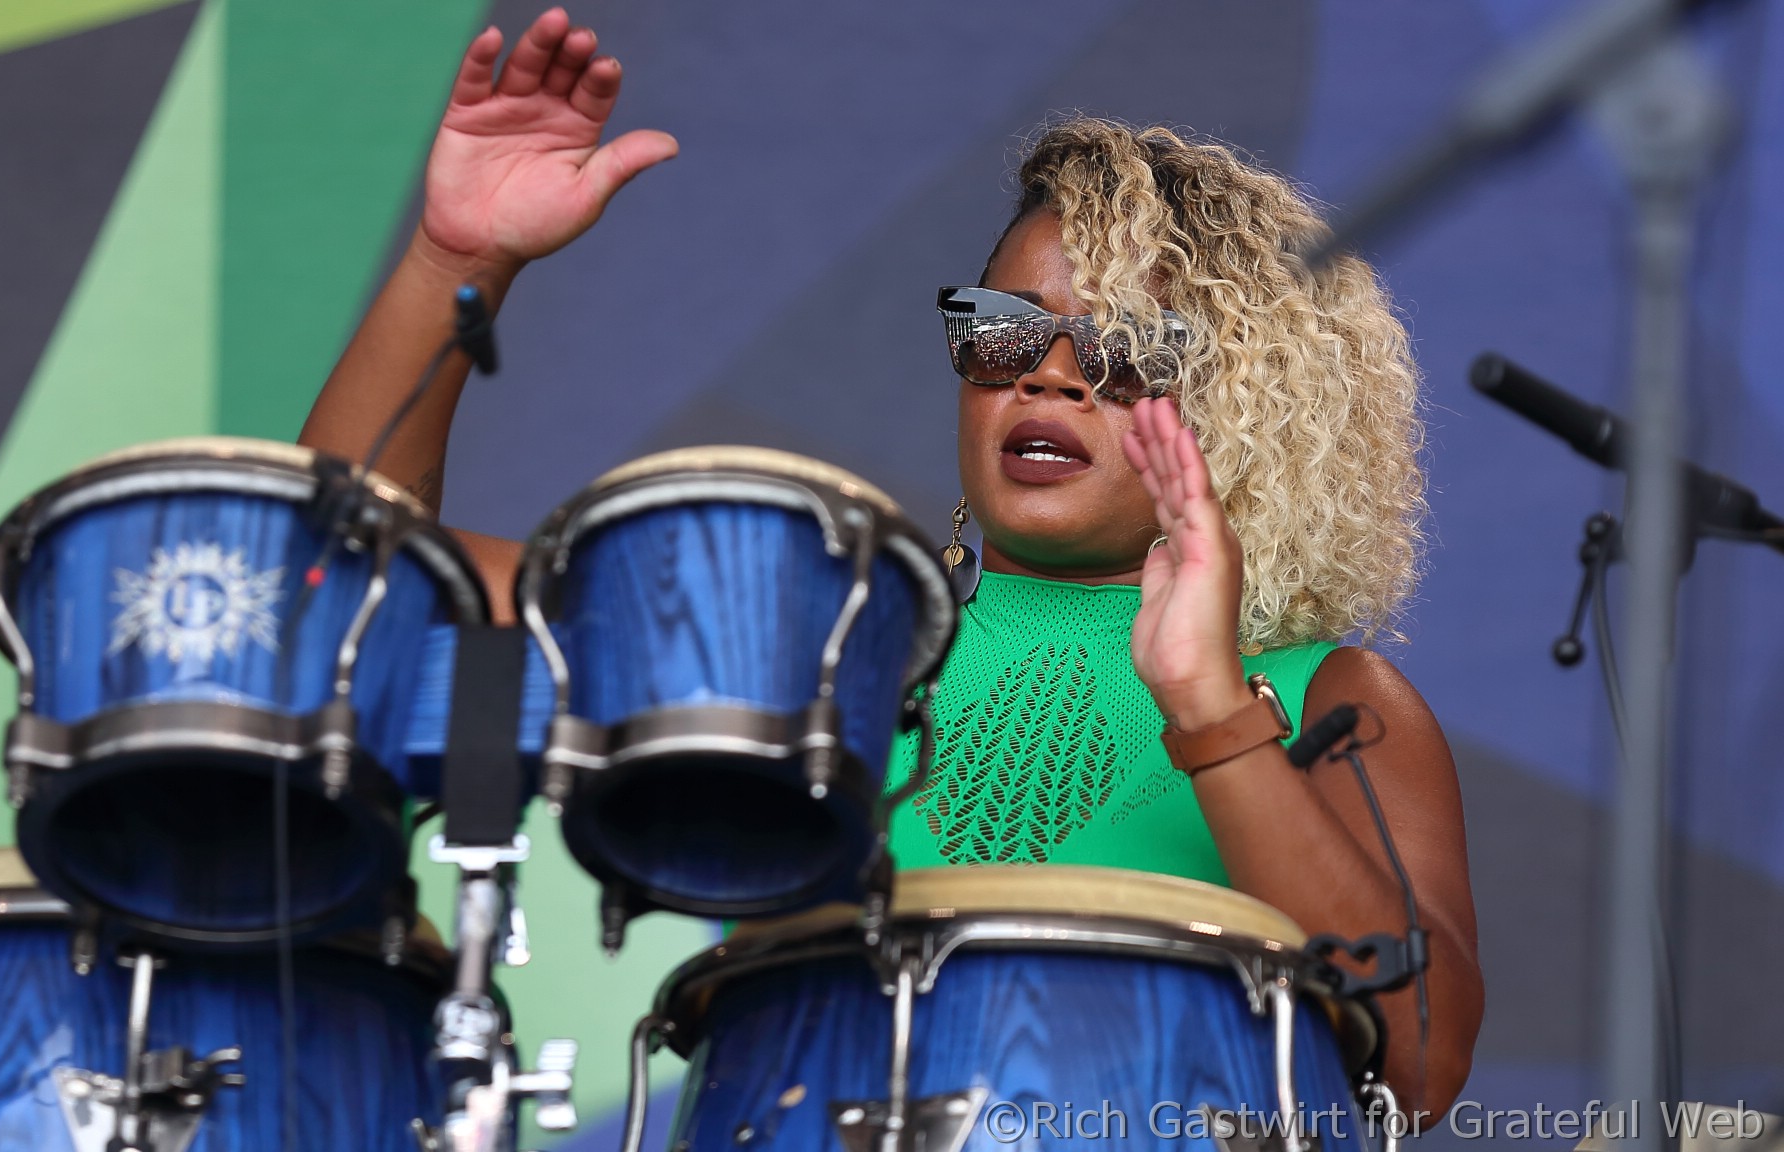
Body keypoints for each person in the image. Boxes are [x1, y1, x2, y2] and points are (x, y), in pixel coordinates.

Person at [301, 8, 1481, 1115]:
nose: (1047, 375)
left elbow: (1417, 1057)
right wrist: (450, 261)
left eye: (1122, 353)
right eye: (1004, 331)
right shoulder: (816, 629)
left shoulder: (1328, 698)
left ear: (1246, 411)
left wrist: (1208, 706)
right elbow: (342, 589)